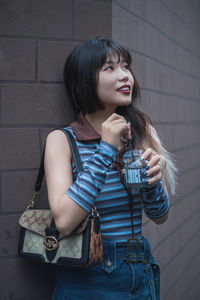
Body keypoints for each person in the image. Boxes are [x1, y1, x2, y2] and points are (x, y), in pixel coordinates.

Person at [44, 37, 177, 300]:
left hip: (141, 271)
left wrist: (151, 183)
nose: (125, 76)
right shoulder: (62, 140)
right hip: (88, 277)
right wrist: (106, 148)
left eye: (126, 66)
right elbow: (64, 222)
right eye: (109, 68)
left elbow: (160, 216)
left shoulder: (140, 130)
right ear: (83, 80)